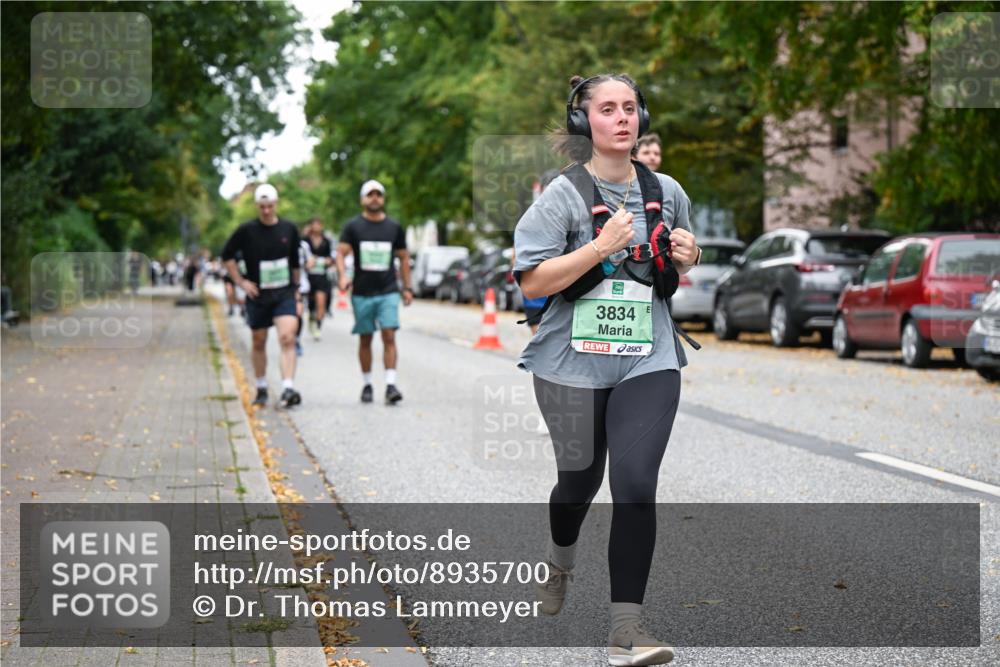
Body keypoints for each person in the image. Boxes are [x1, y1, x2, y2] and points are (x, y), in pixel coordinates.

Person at [514, 74, 701, 667]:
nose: (621, 118)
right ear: (584, 122)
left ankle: (626, 631)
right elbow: (533, 282)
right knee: (578, 481)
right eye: (607, 109)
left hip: (649, 356)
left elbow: (679, 259)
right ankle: (559, 559)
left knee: (636, 483)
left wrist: (688, 255)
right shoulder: (562, 196)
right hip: (570, 361)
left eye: (630, 108)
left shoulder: (666, 190)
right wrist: (598, 247)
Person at [221, 184, 303, 409]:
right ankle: (262, 385)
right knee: (259, 340)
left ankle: (287, 387)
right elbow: (227, 256)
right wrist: (241, 282)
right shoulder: (246, 230)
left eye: (270, 206)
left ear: (276, 204)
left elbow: (295, 263)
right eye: (262, 207)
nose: (266, 210)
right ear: (257, 207)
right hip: (258, 294)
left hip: (284, 292)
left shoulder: (289, 229)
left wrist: (297, 292)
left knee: (288, 337)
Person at [336, 180, 413, 405]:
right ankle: (367, 383)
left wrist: (406, 288)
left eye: (378, 194)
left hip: (388, 289)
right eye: (370, 195)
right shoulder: (353, 227)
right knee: (365, 338)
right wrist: (342, 276)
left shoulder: (393, 227)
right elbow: (340, 253)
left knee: (389, 334)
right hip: (362, 291)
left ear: (383, 198)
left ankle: (390, 384)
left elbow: (404, 257)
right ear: (362, 199)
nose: (375, 198)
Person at [305, 217, 334, 340]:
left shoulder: (327, 241)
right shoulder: (305, 241)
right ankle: (311, 316)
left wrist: (328, 261)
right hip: (308, 276)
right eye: (314, 224)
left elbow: (331, 257)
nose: (317, 226)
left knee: (321, 301)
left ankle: (318, 326)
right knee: (311, 302)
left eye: (319, 224)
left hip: (322, 275)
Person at [295, 229, 314, 357]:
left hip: (301, 286)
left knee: (298, 313)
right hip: (282, 288)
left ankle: (296, 339)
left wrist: (308, 265)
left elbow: (311, 259)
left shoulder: (303, 246)